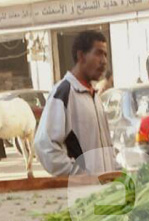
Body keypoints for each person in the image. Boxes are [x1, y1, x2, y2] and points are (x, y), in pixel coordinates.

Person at [34, 30, 117, 176]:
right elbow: (45, 146)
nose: (104, 61)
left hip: (104, 187)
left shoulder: (94, 96)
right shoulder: (64, 92)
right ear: (81, 56)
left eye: (105, 55)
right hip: (84, 188)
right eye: (98, 54)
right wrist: (79, 176)